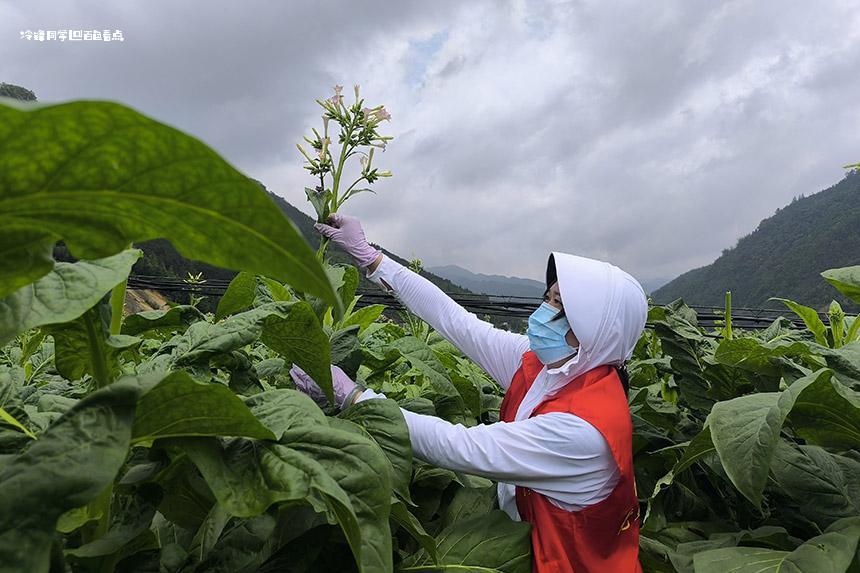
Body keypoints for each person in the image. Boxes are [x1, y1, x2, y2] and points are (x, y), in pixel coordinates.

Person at [289, 214, 648, 573]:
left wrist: (354, 397)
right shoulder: (552, 364)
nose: (544, 313)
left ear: (596, 335)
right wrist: (372, 258)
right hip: (528, 534)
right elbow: (457, 321)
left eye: (561, 308)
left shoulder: (582, 431)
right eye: (548, 298)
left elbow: (458, 445)